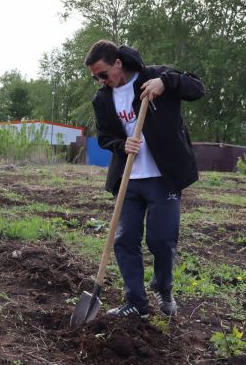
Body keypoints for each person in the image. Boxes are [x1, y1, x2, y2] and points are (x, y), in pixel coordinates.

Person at [85, 40, 205, 318]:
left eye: (104, 74)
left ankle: (163, 288)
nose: (102, 81)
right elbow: (105, 137)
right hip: (128, 178)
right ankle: (136, 302)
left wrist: (166, 83)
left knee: (162, 240)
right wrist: (121, 144)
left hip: (163, 177)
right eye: (95, 77)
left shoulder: (153, 77)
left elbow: (197, 87)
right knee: (124, 240)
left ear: (117, 63)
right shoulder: (102, 99)